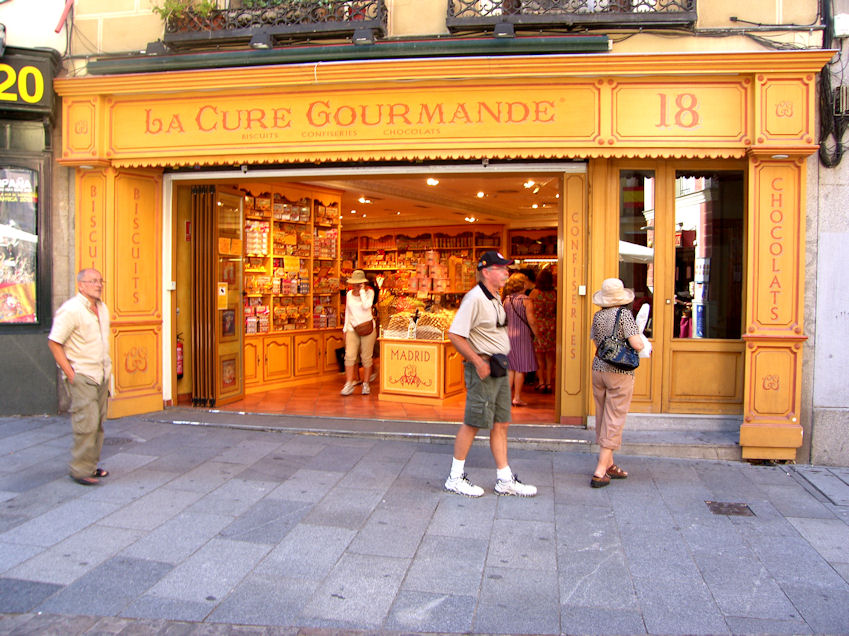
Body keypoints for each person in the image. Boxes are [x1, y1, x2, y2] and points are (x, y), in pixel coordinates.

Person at [443, 251, 537, 498]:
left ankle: (505, 479)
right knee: (473, 422)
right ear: (486, 272)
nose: (507, 272)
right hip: (483, 368)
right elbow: (455, 334)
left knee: (501, 423)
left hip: (499, 366)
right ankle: (455, 477)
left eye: (507, 268)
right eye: (501, 268)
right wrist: (477, 361)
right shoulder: (474, 298)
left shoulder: (496, 297)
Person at [47, 268, 112, 486]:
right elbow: (54, 342)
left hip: (101, 374)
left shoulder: (102, 308)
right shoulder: (71, 309)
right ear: (81, 285)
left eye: (100, 281)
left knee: (98, 423)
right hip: (82, 375)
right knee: (86, 422)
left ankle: (90, 466)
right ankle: (80, 470)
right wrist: (71, 374)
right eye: (92, 281)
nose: (98, 285)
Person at [589, 278, 644, 488]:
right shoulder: (624, 315)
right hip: (619, 371)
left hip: (599, 368)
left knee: (603, 414)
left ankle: (609, 464)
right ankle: (600, 470)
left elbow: (596, 341)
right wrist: (643, 341)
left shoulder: (598, 316)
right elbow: (636, 344)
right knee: (614, 418)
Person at [502, 272, 537, 407]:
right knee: (520, 368)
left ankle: (506, 398)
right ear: (522, 284)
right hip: (522, 336)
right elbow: (532, 321)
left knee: (510, 368)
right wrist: (537, 335)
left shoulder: (506, 300)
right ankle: (517, 397)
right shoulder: (526, 300)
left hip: (508, 335)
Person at [341, 269, 376, 396]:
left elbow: (367, 305)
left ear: (363, 283)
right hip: (352, 328)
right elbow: (347, 312)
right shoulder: (349, 294)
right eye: (354, 283)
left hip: (368, 328)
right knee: (349, 355)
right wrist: (345, 329)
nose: (355, 286)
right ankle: (349, 383)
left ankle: (366, 384)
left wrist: (362, 292)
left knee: (366, 357)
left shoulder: (369, 293)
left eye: (359, 283)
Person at [529, 267, 557, 393]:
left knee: (539, 357)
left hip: (538, 325)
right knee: (550, 357)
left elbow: (529, 310)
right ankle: (549, 382)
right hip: (551, 325)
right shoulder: (554, 294)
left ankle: (541, 382)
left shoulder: (534, 293)